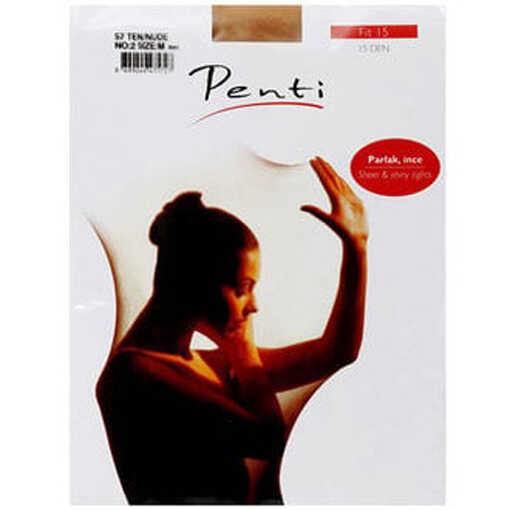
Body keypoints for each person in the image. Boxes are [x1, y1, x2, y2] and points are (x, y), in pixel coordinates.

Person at [96, 156, 369, 504]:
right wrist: (246, 358)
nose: (252, 307)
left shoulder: (207, 364)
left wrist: (356, 247)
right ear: (195, 283)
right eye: (242, 289)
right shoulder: (134, 372)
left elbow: (337, 353)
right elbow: (268, 440)